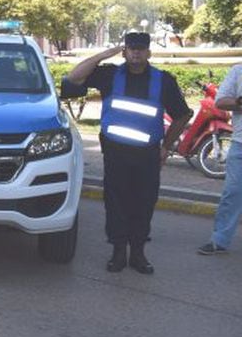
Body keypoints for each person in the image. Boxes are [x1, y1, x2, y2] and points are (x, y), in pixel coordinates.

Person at [61, 32, 192, 274]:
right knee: (116, 203)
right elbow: (74, 77)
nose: (136, 52)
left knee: (144, 204)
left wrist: (166, 147)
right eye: (131, 48)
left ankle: (138, 254)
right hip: (116, 154)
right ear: (125, 51)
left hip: (148, 156)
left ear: (149, 52)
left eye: (141, 48)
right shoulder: (110, 74)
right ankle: (118, 252)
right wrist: (104, 54)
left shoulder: (163, 80)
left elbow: (183, 114)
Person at [198, 62, 242, 256]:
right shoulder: (238, 71)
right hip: (240, 144)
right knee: (232, 193)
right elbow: (221, 101)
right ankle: (219, 240)